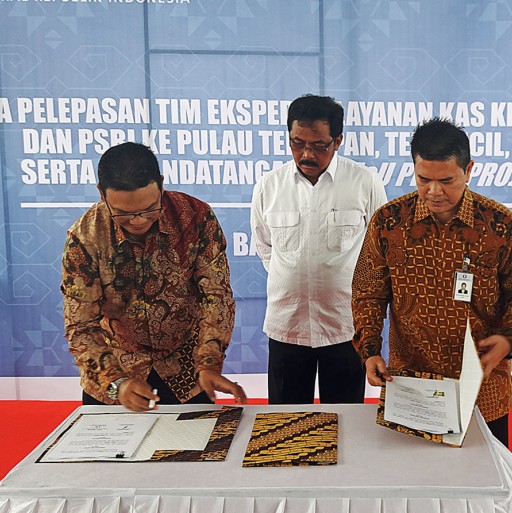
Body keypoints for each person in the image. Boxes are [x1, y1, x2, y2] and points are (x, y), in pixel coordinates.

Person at [352, 118, 512, 446]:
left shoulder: (501, 226)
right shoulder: (388, 222)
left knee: (484, 485)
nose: (434, 191)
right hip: (411, 383)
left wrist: (508, 340)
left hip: (481, 385)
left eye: (446, 180)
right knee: (413, 486)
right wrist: (369, 349)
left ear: (468, 171)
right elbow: (368, 291)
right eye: (423, 179)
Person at [62, 142, 246, 411]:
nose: (138, 221)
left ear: (161, 184)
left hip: (187, 369)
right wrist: (116, 382)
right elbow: (80, 326)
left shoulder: (196, 217)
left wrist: (209, 362)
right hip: (118, 368)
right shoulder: (85, 238)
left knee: (197, 449)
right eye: (123, 213)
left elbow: (216, 296)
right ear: (102, 194)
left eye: (149, 209)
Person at [250, 94, 388, 404]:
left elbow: (379, 253)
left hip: (344, 328)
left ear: (338, 140)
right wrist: (294, 277)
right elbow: (265, 247)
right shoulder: (268, 187)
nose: (306, 154)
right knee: (284, 427)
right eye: (297, 143)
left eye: (318, 145)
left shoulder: (365, 183)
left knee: (345, 425)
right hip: (288, 327)